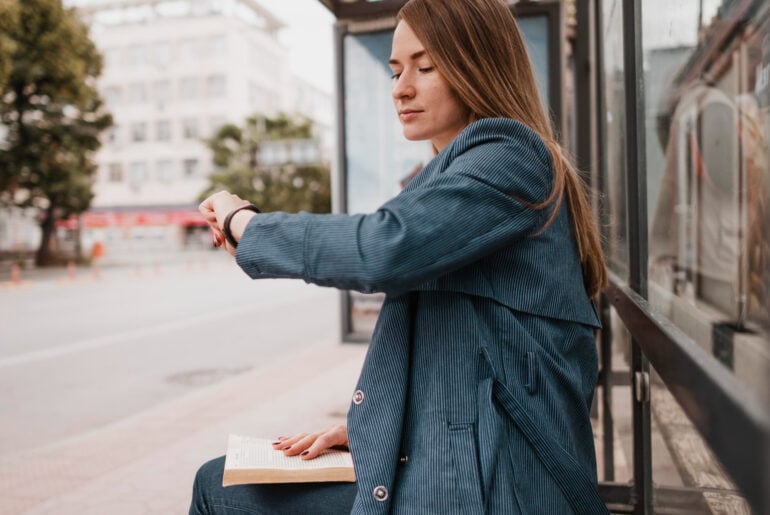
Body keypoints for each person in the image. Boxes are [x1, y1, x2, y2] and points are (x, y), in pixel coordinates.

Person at [190, 0, 609, 512]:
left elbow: (379, 249)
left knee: (221, 490)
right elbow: (468, 357)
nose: (401, 87)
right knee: (223, 481)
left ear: (479, 65)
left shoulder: (510, 156)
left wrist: (245, 223)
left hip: (502, 488)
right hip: (462, 465)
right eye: (395, 70)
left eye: (425, 66)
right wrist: (373, 430)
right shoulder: (469, 172)